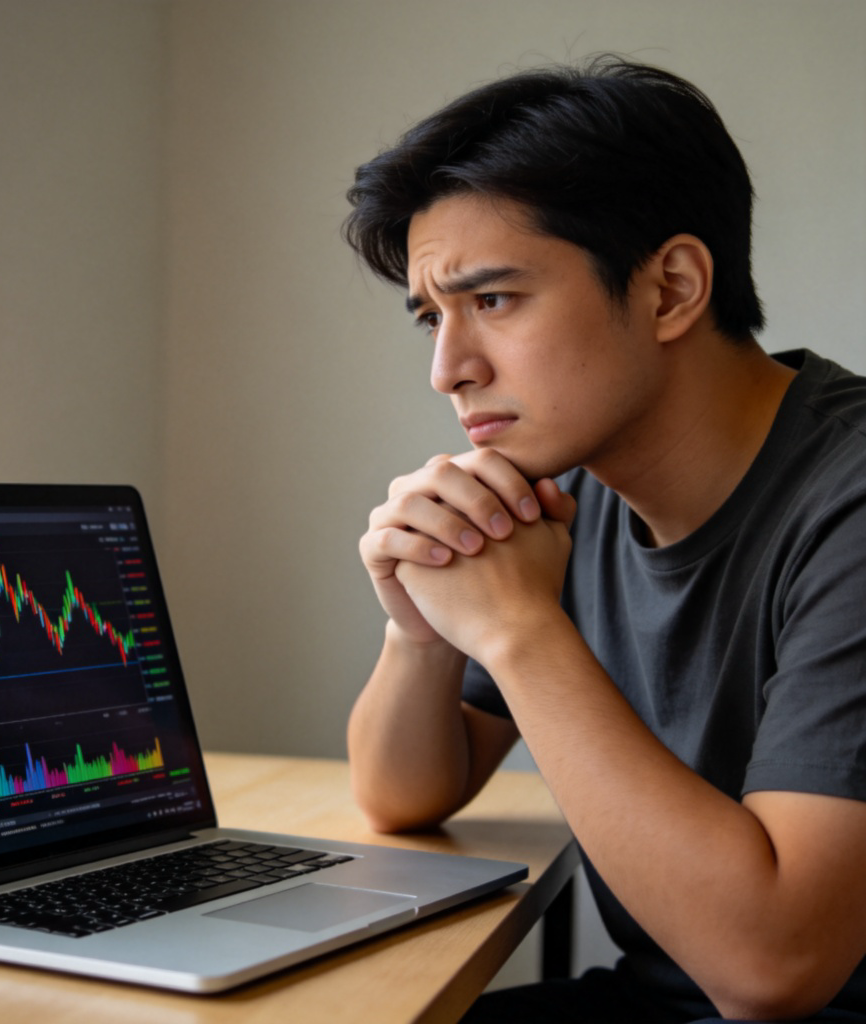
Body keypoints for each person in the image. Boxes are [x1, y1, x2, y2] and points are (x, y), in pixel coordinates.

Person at [343, 56, 866, 1023]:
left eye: (492, 301)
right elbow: (404, 793)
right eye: (431, 317)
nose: (448, 369)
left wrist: (517, 632)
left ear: (671, 288)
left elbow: (777, 969)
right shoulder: (569, 490)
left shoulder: (850, 501)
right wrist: (421, 626)